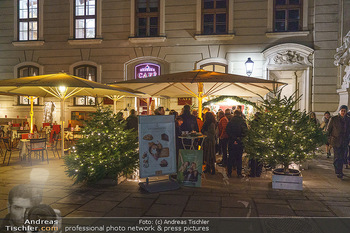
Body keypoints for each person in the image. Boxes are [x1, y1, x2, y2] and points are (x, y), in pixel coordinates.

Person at [326, 105, 350, 179]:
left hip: (344, 141)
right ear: (339, 111)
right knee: (337, 157)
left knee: (343, 157)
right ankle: (338, 171)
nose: (343, 112)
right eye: (342, 110)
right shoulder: (334, 119)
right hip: (336, 141)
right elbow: (328, 130)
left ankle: (340, 170)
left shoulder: (348, 120)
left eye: (344, 111)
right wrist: (329, 140)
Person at [226, 110, 248, 178]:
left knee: (230, 157)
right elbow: (245, 132)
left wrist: (233, 139)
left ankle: (229, 172)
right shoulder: (243, 122)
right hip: (240, 142)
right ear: (240, 114)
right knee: (239, 158)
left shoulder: (230, 122)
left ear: (234, 114)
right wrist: (239, 139)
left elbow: (227, 131)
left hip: (231, 141)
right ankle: (239, 173)